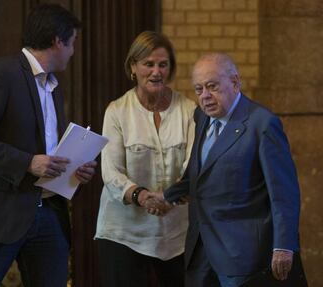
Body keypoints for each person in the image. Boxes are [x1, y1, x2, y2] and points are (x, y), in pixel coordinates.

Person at [0, 4, 97, 287]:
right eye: (72, 43)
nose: (74, 52)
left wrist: (76, 167)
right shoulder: (2, 74)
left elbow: (48, 145)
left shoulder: (54, 84)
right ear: (57, 41)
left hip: (49, 212)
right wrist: (27, 162)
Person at [150, 53, 304, 287]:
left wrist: (283, 246)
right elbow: (199, 173)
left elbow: (284, 193)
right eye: (199, 89)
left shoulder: (262, 123)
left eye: (212, 87)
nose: (205, 97)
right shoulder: (201, 117)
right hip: (200, 248)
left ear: (234, 82)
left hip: (242, 253)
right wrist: (167, 195)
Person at [94, 31, 197, 287]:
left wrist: (168, 197)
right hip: (123, 232)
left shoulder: (189, 110)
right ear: (133, 66)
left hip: (176, 233)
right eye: (148, 64)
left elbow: (193, 165)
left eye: (163, 64)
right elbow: (111, 170)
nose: (156, 71)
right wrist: (142, 196)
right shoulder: (117, 111)